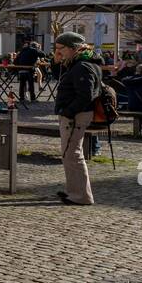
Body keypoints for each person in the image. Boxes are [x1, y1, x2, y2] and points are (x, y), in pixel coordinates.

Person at [51, 31, 102, 206]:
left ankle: (81, 196)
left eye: (61, 49)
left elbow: (85, 95)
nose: (58, 52)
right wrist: (57, 59)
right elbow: (57, 73)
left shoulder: (83, 66)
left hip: (76, 116)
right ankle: (74, 191)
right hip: (75, 114)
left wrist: (69, 112)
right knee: (70, 154)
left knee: (72, 154)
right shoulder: (77, 63)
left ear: (73, 48)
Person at [14, 40, 42, 105]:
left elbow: (15, 62)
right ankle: (32, 99)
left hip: (21, 70)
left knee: (22, 85)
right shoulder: (33, 50)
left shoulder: (21, 52)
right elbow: (42, 54)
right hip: (29, 70)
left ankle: (22, 99)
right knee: (31, 84)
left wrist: (21, 65)